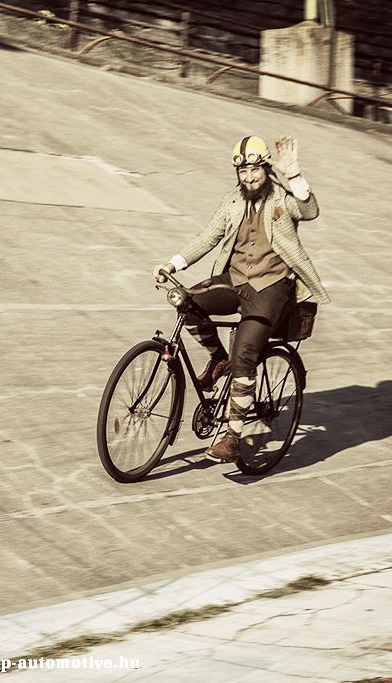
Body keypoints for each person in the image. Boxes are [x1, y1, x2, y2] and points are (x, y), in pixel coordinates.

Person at [152, 135, 330, 463]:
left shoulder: (282, 198)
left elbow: (310, 210)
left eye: (254, 170)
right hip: (234, 280)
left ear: (265, 168)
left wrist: (294, 175)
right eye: (243, 171)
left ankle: (232, 436)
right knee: (185, 302)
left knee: (246, 353)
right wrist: (173, 262)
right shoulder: (232, 200)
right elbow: (209, 236)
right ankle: (219, 358)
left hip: (272, 288)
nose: (248, 177)